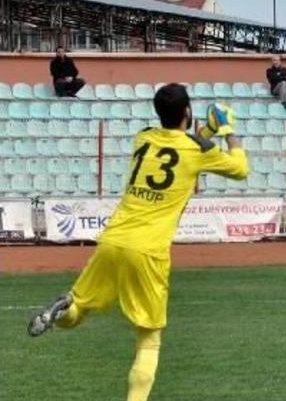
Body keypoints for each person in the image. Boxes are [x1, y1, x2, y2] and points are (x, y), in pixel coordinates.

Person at [27, 84, 249, 401]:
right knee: (149, 340)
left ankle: (60, 312)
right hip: (148, 250)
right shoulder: (197, 152)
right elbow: (240, 168)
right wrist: (227, 129)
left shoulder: (143, 138)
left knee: (79, 308)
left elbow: (185, 144)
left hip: (113, 239)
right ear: (188, 112)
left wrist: (208, 129)